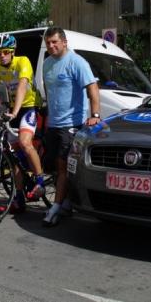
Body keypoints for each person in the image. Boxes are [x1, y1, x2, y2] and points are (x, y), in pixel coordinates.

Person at [0, 33, 45, 214]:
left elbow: (22, 85)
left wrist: (15, 112)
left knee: (24, 143)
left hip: (28, 107)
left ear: (13, 51)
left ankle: (40, 182)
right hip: (11, 110)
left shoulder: (23, 61)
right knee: (14, 157)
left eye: (6, 52)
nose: (2, 55)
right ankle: (19, 198)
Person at [41, 27, 100, 226]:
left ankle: (54, 209)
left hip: (71, 124)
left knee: (62, 166)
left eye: (55, 42)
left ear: (64, 42)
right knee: (53, 166)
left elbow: (92, 88)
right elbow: (50, 92)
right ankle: (66, 201)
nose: (51, 46)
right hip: (53, 123)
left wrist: (95, 115)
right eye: (48, 43)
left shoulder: (77, 62)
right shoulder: (47, 63)